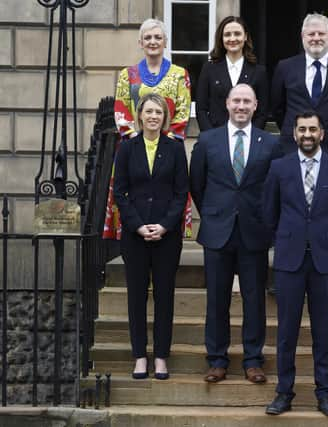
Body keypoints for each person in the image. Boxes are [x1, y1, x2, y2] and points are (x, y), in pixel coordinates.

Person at [189, 84, 282, 385]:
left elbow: (274, 188)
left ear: (256, 106)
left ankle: (253, 359)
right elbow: (197, 184)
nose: (241, 106)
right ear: (227, 104)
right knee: (217, 299)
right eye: (236, 101)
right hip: (217, 230)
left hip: (254, 230)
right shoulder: (207, 140)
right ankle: (217, 359)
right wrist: (215, 212)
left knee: (254, 299)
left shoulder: (269, 143)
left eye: (247, 101)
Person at [263, 111, 328, 417]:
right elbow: (269, 212)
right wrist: (289, 237)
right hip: (289, 259)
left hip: (324, 260)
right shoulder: (279, 168)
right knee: (286, 331)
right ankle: (284, 392)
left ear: (322, 134)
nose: (307, 134)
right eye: (302, 129)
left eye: (312, 129)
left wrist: (322, 236)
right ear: (294, 133)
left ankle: (325, 392)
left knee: (323, 331)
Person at [113, 93, 189, 381]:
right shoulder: (127, 148)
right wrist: (137, 225)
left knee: (164, 296)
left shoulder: (175, 148)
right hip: (136, 235)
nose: (153, 116)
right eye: (148, 111)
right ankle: (139, 357)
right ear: (140, 116)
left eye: (158, 112)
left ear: (164, 117)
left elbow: (182, 192)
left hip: (167, 236)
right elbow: (119, 191)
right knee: (136, 297)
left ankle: (160, 357)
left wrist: (166, 225)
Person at [105, 18, 193, 240]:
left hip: (169, 148)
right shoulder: (128, 75)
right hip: (133, 147)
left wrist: (162, 139)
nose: (153, 41)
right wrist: (139, 139)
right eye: (147, 38)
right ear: (140, 42)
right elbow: (122, 111)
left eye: (157, 37)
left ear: (165, 42)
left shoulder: (180, 74)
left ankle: (165, 231)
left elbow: (182, 112)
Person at [271, 13, 328, 160]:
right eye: (311, 34)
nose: (316, 38)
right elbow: (277, 109)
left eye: (321, 34)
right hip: (292, 148)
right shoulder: (285, 67)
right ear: (303, 36)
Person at [196, 15, 268, 131]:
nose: (232, 39)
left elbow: (262, 113)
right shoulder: (209, 69)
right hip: (215, 139)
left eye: (237, 34)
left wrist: (249, 138)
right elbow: (201, 109)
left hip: (246, 141)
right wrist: (210, 138)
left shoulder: (259, 72)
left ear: (245, 36)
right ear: (221, 38)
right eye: (227, 35)